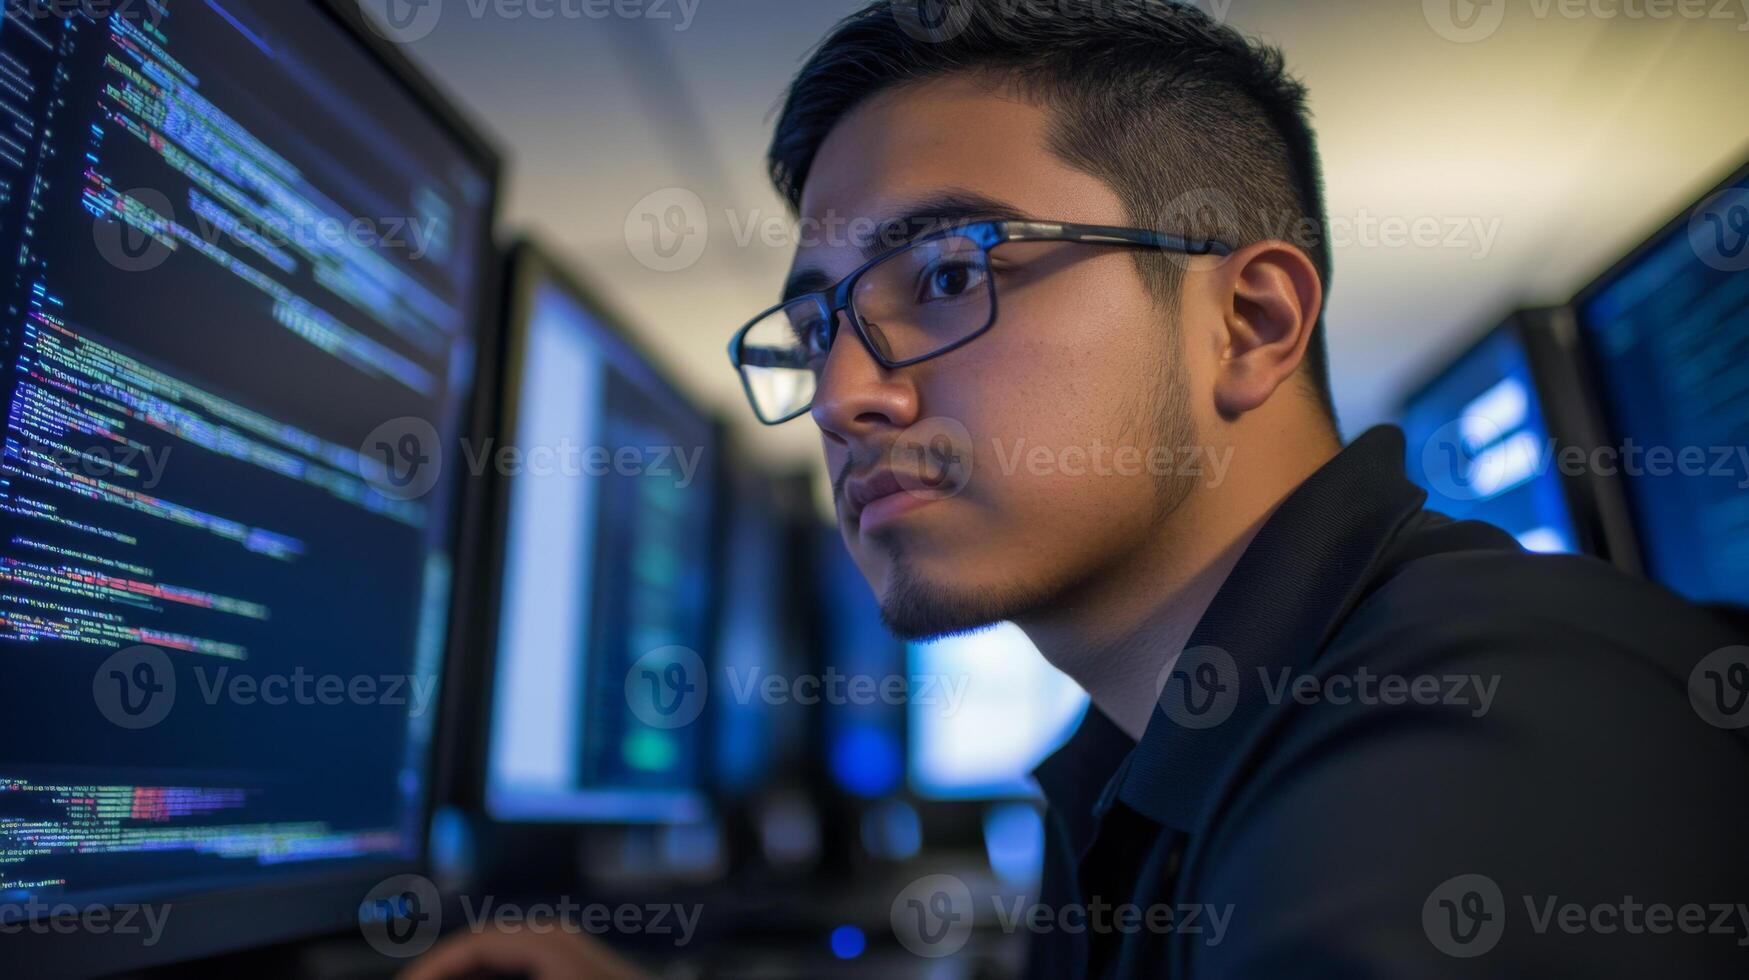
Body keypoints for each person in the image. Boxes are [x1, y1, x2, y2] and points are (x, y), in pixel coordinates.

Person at [408, 1, 1749, 976]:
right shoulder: (1162, 763)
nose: (840, 396)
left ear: (1249, 323)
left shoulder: (1464, 742)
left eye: (945, 273)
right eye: (815, 327)